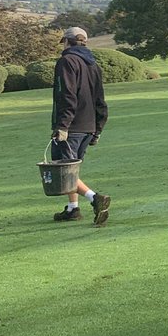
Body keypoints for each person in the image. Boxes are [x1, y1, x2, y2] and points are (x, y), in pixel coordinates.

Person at [50, 26, 111, 225]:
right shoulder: (93, 64)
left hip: (72, 126)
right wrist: (98, 129)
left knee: (64, 169)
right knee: (72, 169)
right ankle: (72, 209)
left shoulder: (66, 61)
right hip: (89, 125)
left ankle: (95, 199)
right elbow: (100, 99)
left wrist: (62, 126)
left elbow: (66, 95)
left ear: (67, 42)